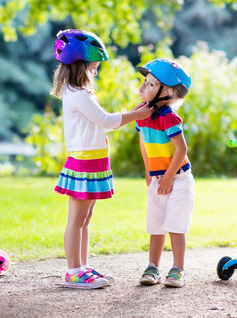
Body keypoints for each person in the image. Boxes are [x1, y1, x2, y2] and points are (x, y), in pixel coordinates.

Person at [52, 29, 153, 289]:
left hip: (94, 162)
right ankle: (73, 271)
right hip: (84, 163)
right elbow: (106, 121)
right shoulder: (76, 94)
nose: (95, 73)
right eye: (93, 68)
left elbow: (102, 123)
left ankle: (82, 266)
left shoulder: (82, 92)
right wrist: (137, 115)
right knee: (76, 219)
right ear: (79, 66)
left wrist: (134, 113)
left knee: (86, 219)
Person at [135, 58, 195, 288]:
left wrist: (169, 177)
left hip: (178, 178)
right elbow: (143, 143)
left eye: (150, 84)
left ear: (167, 94)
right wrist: (149, 172)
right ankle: (153, 266)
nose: (142, 87)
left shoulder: (169, 117)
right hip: (158, 177)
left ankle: (178, 268)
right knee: (156, 224)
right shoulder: (142, 114)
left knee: (175, 225)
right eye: (145, 82)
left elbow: (181, 149)